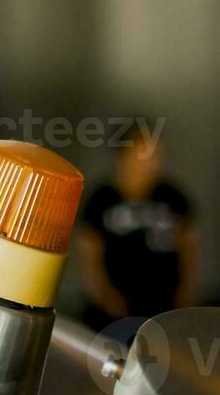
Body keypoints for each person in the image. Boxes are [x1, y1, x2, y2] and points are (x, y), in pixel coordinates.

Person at [77, 128, 197, 328]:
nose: (149, 163)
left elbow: (189, 248)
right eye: (142, 154)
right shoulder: (102, 199)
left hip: (163, 307)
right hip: (114, 311)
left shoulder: (172, 196)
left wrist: (186, 295)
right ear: (122, 155)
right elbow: (88, 253)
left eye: (155, 154)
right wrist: (103, 295)